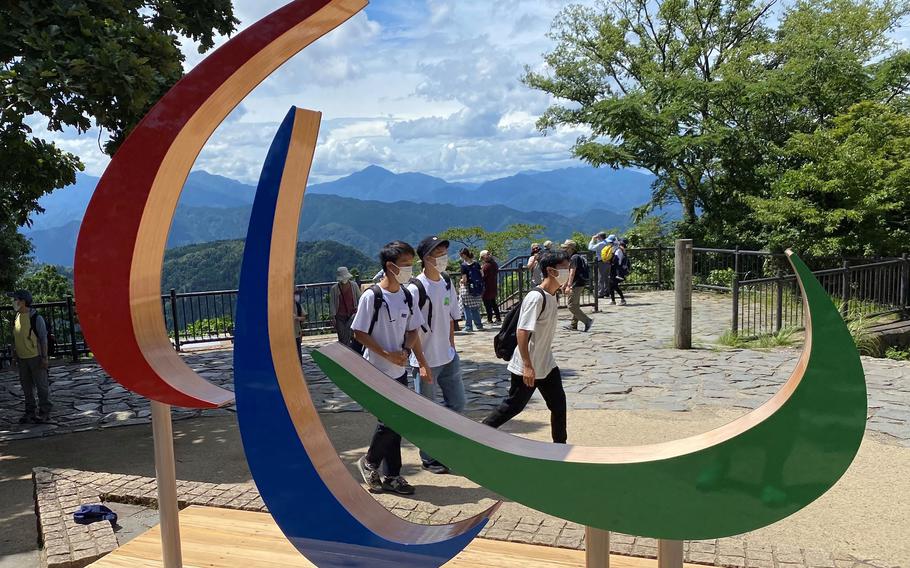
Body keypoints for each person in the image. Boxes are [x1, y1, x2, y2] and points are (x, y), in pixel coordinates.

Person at [352, 241, 429, 495]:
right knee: (391, 420)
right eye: (405, 264)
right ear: (390, 266)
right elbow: (359, 332)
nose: (410, 269)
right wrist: (387, 354)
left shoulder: (406, 295)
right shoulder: (372, 297)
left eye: (410, 264)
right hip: (375, 370)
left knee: (398, 422)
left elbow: (413, 328)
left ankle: (392, 475)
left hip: (398, 370)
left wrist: (405, 351)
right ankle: (371, 463)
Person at [482, 252, 568, 444]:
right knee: (513, 406)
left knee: (559, 406)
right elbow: (522, 332)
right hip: (527, 366)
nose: (568, 270)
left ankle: (560, 449)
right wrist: (528, 366)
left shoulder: (553, 295)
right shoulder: (536, 298)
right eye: (564, 267)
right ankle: (477, 435)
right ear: (551, 270)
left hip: (546, 364)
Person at [407, 236, 464, 474]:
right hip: (426, 360)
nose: (443, 258)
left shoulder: (447, 281)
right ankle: (429, 457)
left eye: (444, 252)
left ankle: (444, 447)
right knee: (427, 412)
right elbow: (411, 330)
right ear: (426, 258)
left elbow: (451, 317)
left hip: (448, 357)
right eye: (438, 253)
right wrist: (421, 362)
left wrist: (451, 347)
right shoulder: (415, 289)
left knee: (458, 404)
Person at [8, 290, 52, 424]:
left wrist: (44, 358)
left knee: (41, 386)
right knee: (26, 387)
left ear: (23, 301)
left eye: (15, 299)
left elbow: (43, 339)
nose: (13, 302)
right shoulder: (17, 317)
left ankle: (44, 412)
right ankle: (30, 412)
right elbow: (17, 338)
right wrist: (14, 357)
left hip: (36, 357)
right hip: (22, 358)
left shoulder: (35, 318)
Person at [561, 240, 593, 332]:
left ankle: (587, 321)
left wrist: (569, 286)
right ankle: (573, 325)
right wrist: (565, 284)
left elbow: (572, 273)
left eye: (565, 248)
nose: (564, 250)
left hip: (576, 284)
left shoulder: (574, 258)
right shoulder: (579, 256)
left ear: (571, 248)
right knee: (575, 305)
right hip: (581, 283)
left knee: (571, 306)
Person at [329, 267, 361, 347]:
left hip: (352, 315)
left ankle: (348, 353)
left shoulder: (354, 286)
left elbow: (359, 298)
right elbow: (332, 303)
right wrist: (333, 317)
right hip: (339, 316)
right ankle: (344, 354)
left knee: (349, 333)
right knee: (342, 337)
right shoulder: (334, 289)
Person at [458, 248, 485, 332]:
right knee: (475, 308)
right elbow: (482, 274)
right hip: (477, 288)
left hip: (467, 289)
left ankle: (469, 326)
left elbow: (464, 280)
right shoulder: (476, 263)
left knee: (466, 307)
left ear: (464, 255)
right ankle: (479, 325)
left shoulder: (464, 266)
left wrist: (461, 281)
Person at [480, 250, 501, 325]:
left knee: (487, 304)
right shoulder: (494, 264)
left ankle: (490, 319)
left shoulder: (486, 266)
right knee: (493, 303)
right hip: (493, 285)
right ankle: (498, 317)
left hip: (486, 287)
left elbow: (483, 276)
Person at [588, 232, 610, 298]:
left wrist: (592, 239)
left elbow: (590, 248)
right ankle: (607, 292)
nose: (597, 238)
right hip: (608, 261)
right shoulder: (608, 242)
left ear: (600, 237)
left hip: (601, 262)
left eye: (597, 237)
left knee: (600, 278)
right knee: (607, 277)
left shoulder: (601, 244)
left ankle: (600, 293)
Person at [610, 238, 628, 306]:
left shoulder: (618, 251)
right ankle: (613, 300)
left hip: (615, 269)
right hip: (617, 269)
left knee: (614, 285)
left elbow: (616, 260)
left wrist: (611, 262)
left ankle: (623, 300)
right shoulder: (622, 250)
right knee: (611, 285)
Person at [293, 290, 306, 363]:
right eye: (296, 294)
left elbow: (303, 317)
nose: (297, 296)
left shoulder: (298, 305)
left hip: (297, 333)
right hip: (287, 335)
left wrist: (297, 318)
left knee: (298, 355)